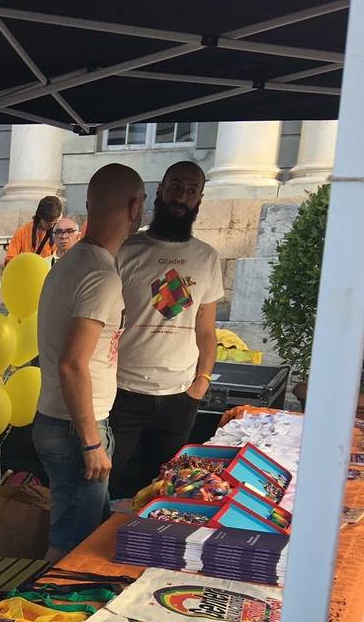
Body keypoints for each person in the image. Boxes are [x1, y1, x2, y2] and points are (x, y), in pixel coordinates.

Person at [33, 164, 145, 562]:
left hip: (63, 423)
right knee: (71, 550)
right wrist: (92, 442)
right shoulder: (98, 273)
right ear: (135, 207)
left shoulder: (74, 263)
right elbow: (73, 364)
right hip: (75, 429)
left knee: (78, 540)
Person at [109, 161, 223, 499]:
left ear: (199, 200)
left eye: (191, 191)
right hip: (122, 391)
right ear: (159, 190)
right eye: (175, 186)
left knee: (164, 492)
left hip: (179, 396)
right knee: (105, 487)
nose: (181, 197)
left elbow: (206, 328)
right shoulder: (126, 251)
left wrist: (201, 382)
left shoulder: (207, 258)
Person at [4, 196, 64, 265]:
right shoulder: (22, 231)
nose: (52, 225)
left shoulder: (58, 234)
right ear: (40, 216)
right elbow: (9, 259)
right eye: (48, 222)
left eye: (55, 221)